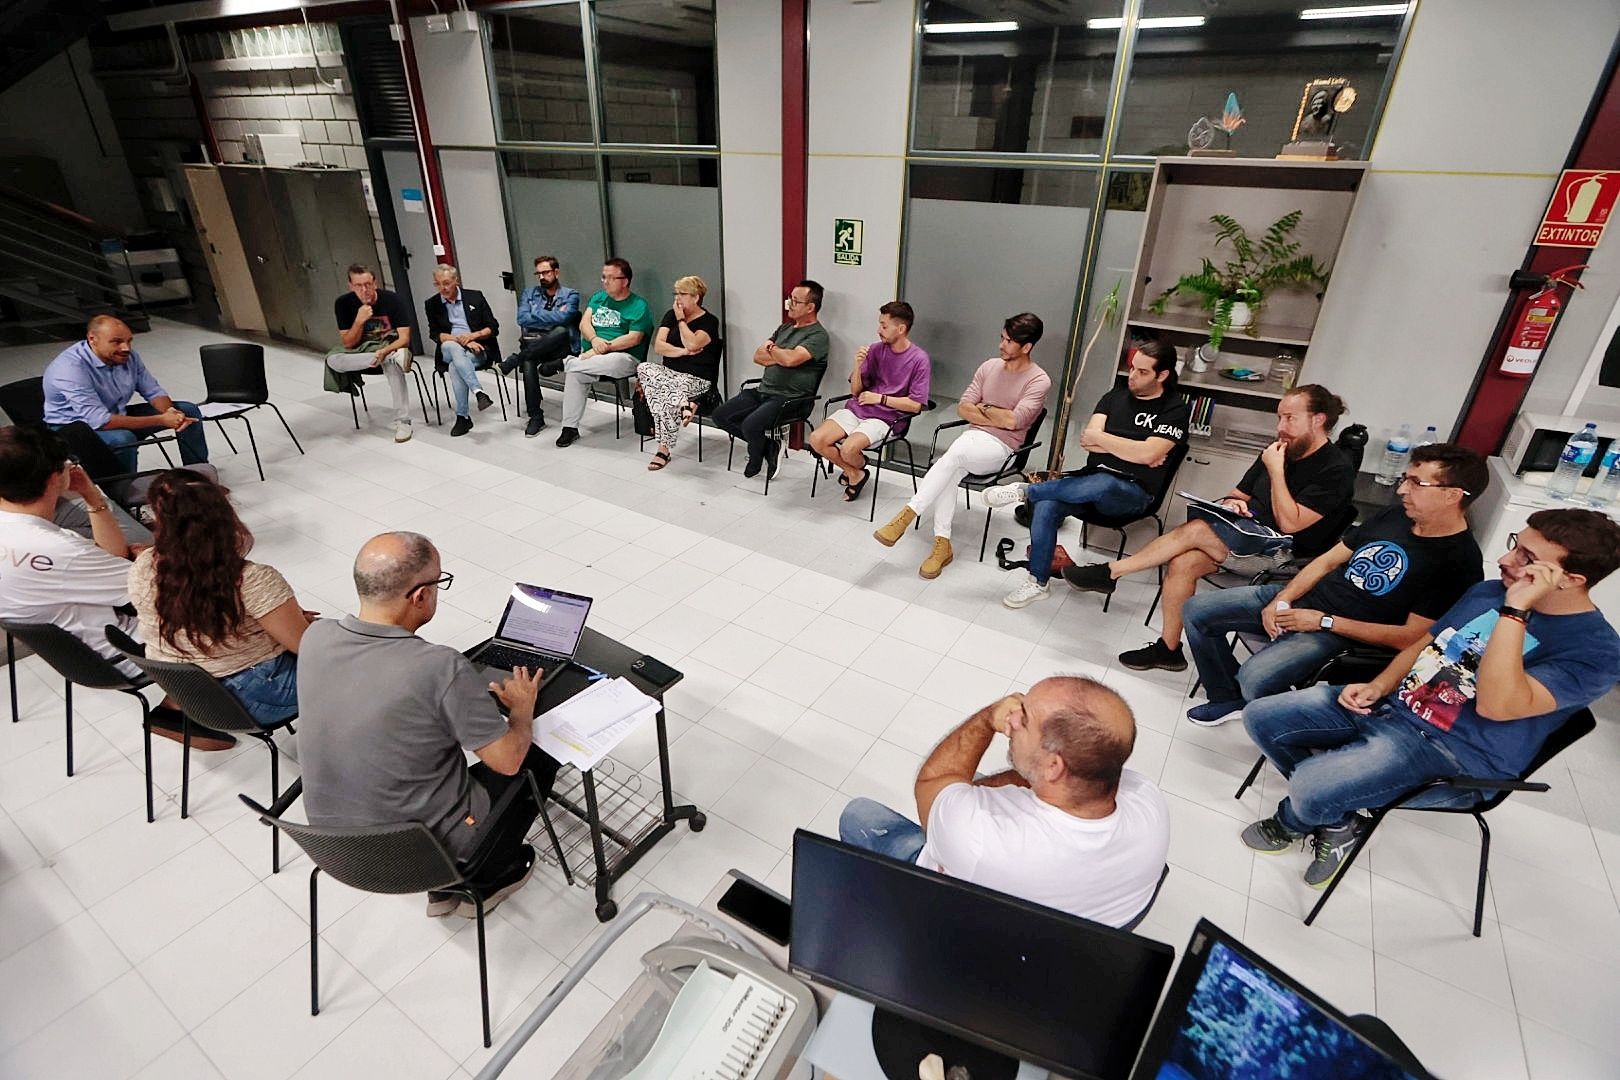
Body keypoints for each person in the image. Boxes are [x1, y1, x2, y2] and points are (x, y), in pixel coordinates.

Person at [1240, 509, 1620, 889]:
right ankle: (1339, 819)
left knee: (1309, 785)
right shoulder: (1488, 591)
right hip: (1395, 709)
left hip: (1455, 754)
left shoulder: (1595, 651)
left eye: (1528, 560)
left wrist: (1516, 612)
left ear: (1570, 580)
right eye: (1514, 546)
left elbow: (1495, 705)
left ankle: (1298, 818)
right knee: (1261, 717)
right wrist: (1382, 684)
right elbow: (1427, 642)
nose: (1506, 561)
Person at [297, 532, 563, 917]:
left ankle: (441, 894)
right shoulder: (438, 666)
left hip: (338, 848)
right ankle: (483, 881)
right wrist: (521, 709)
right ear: (420, 596)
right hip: (422, 853)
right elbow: (507, 762)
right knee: (536, 757)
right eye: (439, 582)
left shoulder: (316, 636)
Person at [1183, 443, 1487, 726]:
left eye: (1416, 483)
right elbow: (1327, 561)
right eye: (1405, 478)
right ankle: (1227, 695)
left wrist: (1324, 622)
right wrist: (1283, 598)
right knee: (1197, 610)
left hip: (1343, 632)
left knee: (1254, 677)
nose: (1402, 490)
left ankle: (1266, 707)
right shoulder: (1396, 516)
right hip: (1309, 602)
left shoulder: (1459, 562)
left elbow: (1410, 638)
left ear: (1453, 495)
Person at [1063, 385, 1356, 673]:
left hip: (1284, 556)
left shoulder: (1335, 469)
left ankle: (1111, 572)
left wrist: (1277, 471)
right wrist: (1233, 504)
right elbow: (1238, 493)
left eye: (1290, 418)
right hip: (1245, 535)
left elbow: (1291, 523)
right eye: (1279, 417)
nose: (1281, 426)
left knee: (1198, 530)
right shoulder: (1278, 450)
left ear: (1318, 420)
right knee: (1183, 561)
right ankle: (1169, 650)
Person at [837, 677, 1169, 926]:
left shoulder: (980, 837)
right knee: (977, 784)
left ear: (1054, 767)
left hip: (958, 924)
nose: (1009, 718)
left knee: (858, 814)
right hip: (1059, 941)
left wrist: (985, 720)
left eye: (1023, 718)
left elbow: (934, 780)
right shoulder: (1148, 802)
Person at [0, 425, 234, 750]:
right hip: (117, 652)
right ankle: (180, 707)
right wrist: (154, 557)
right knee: (215, 601)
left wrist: (92, 497)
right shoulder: (60, 551)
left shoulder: (26, 535)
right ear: (57, 477)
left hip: (68, 653)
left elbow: (112, 558)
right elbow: (151, 586)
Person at [985, 337, 1189, 610]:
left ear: (1162, 375)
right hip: (1087, 485)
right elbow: (1088, 439)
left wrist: (1111, 442)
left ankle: (1024, 491)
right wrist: (1134, 449)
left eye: (1142, 372)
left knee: (1103, 482)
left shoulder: (1174, 410)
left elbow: (1147, 454)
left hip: (1133, 494)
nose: (1132, 377)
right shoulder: (1114, 396)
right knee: (1048, 505)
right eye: (1132, 368)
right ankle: (1038, 581)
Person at [127, 470, 315, 727]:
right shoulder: (252, 579)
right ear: (224, 514)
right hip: (253, 695)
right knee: (363, 663)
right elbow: (308, 649)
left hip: (191, 693)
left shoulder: (144, 565)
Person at [873, 313, 1051, 580]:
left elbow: (1015, 421)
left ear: (1026, 347)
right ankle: (941, 545)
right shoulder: (989, 367)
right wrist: (993, 413)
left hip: (1003, 449)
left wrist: (984, 408)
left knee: (952, 457)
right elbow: (963, 407)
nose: (1001, 345)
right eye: (1001, 338)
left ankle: (908, 513)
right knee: (952, 465)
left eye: (1009, 341)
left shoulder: (1039, 380)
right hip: (971, 442)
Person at [43, 315, 209, 475]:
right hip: (73, 429)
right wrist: (162, 419)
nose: (126, 348)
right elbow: (100, 421)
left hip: (114, 414)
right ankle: (125, 492)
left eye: (129, 341)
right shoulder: (70, 368)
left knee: (188, 411)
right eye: (116, 342)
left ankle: (197, 476)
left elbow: (153, 391)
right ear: (92, 339)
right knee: (123, 438)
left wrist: (171, 412)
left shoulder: (128, 357)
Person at [807, 301, 931, 503]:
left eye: (884, 325)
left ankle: (854, 466)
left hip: (888, 419)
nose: (878, 330)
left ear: (901, 329)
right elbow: (856, 392)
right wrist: (858, 365)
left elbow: (915, 405)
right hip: (859, 409)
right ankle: (856, 473)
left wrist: (880, 398)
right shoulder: (875, 350)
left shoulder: (919, 359)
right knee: (817, 439)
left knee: (848, 449)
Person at [712, 280, 830, 479]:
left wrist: (773, 350)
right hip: (763, 391)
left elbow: (791, 360)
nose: (789, 304)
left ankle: (756, 456)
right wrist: (781, 356)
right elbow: (758, 357)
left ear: (810, 307)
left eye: (795, 301)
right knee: (720, 415)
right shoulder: (784, 329)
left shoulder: (818, 336)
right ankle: (768, 446)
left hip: (791, 398)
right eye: (789, 299)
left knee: (751, 425)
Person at [548, 257, 655, 448]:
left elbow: (634, 338)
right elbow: (584, 324)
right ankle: (569, 428)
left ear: (625, 281)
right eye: (603, 277)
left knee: (611, 361)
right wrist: (596, 341)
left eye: (610, 278)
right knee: (576, 374)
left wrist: (605, 348)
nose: (605, 281)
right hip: (592, 357)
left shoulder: (639, 305)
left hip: (624, 358)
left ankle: (566, 363)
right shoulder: (598, 297)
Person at [638, 275, 722, 472]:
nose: (677, 298)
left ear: (696, 297)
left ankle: (663, 450)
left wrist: (682, 320)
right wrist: (684, 352)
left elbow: (693, 343)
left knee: (663, 394)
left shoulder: (709, 321)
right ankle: (683, 403)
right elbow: (659, 346)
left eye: (683, 294)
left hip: (697, 378)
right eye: (676, 293)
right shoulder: (669, 315)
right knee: (643, 368)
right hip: (669, 375)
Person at [327, 264, 416, 444]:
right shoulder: (343, 304)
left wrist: (386, 351)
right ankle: (390, 357)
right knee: (333, 360)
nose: (364, 290)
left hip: (389, 346)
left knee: (392, 364)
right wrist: (359, 321)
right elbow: (348, 344)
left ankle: (403, 421)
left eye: (368, 284)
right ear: (351, 286)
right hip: (363, 353)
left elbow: (405, 339)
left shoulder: (393, 300)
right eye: (358, 286)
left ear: (375, 283)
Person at [502, 254, 581, 438]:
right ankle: (536, 417)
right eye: (538, 273)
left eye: (546, 272)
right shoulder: (530, 293)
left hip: (561, 347)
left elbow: (563, 319)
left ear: (556, 272)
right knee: (529, 361)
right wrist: (550, 319)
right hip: (535, 343)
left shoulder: (571, 294)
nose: (542, 277)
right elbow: (521, 318)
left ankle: (515, 359)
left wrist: (536, 317)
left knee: (560, 330)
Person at [423, 264, 501, 438]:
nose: (442, 288)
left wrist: (474, 336)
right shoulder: (432, 304)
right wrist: (463, 341)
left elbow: (493, 327)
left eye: (446, 283)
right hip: (450, 346)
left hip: (478, 349)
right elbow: (435, 334)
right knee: (451, 346)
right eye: (437, 284)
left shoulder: (475, 297)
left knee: (454, 367)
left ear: (456, 281)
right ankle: (478, 391)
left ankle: (463, 417)